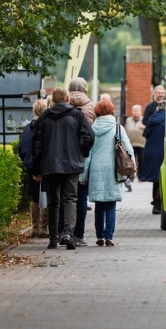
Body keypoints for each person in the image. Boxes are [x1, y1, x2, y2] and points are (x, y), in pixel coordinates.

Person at [31, 87, 94, 250]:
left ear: (53, 99)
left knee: (53, 202)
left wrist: (37, 168)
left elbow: (37, 144)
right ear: (67, 99)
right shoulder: (77, 115)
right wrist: (81, 153)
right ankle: (68, 233)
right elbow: (89, 136)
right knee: (70, 199)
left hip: (50, 165)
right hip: (72, 165)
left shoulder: (44, 117)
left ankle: (53, 238)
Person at [79, 99, 133, 247]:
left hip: (96, 170)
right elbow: (129, 150)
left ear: (96, 112)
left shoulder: (92, 129)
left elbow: (87, 155)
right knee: (110, 204)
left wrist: (83, 176)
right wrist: (130, 169)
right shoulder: (118, 128)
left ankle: (99, 236)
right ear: (111, 111)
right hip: (113, 170)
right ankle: (109, 236)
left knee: (99, 205)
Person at [65, 77, 96, 247]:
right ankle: (79, 234)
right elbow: (92, 133)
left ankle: (64, 231)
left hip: (65, 154)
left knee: (66, 195)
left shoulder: (64, 104)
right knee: (81, 195)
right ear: (85, 88)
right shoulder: (91, 106)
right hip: (83, 155)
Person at [18, 99, 48, 238]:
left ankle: (35, 227)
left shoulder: (27, 128)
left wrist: (29, 164)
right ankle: (43, 228)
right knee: (46, 196)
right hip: (45, 167)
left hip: (31, 167)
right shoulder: (47, 126)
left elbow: (22, 148)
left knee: (34, 197)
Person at [141, 99, 166, 214]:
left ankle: (155, 204)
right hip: (163, 150)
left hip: (150, 150)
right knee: (163, 178)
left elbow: (145, 134)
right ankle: (158, 202)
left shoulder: (152, 119)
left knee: (156, 179)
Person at [123, 104, 145, 193]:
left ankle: (141, 177)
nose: (135, 112)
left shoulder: (144, 120)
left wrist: (143, 127)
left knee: (142, 160)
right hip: (131, 144)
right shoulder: (128, 120)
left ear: (140, 112)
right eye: (134, 110)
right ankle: (131, 177)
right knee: (131, 161)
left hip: (142, 143)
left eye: (137, 111)